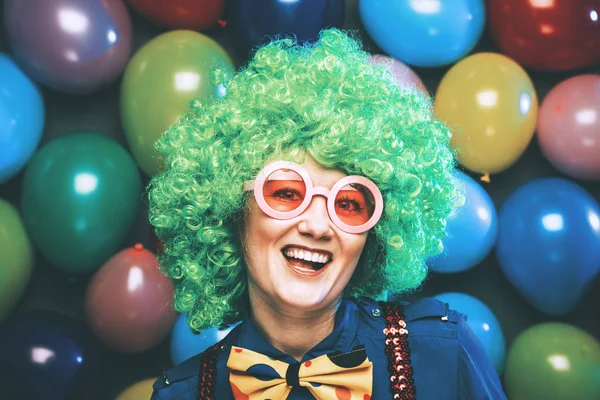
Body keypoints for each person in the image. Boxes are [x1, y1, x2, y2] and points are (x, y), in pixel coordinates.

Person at [148, 29, 507, 399]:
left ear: (375, 233)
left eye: (349, 203)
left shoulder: (442, 354)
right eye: (286, 193)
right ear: (233, 211)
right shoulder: (183, 394)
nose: (318, 225)